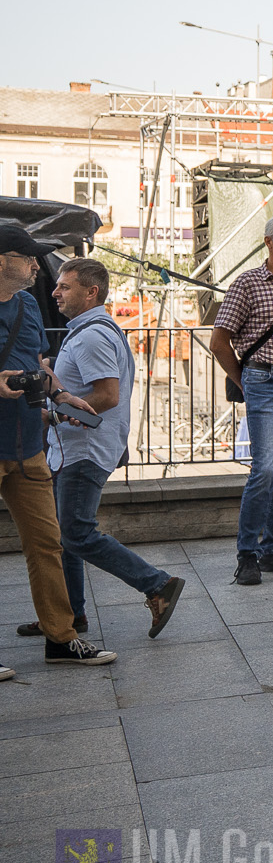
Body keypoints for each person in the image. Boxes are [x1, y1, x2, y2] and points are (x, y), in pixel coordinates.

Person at [28, 257, 182, 644]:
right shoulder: (91, 330)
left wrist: (56, 417)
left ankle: (157, 584)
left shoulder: (92, 335)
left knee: (77, 534)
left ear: (90, 291)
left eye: (64, 286)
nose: (55, 291)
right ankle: (67, 614)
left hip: (84, 449)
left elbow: (106, 395)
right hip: (77, 449)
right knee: (67, 533)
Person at [0, 227, 116, 671]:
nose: (35, 266)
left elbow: (37, 365)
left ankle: (61, 639)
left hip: (28, 443)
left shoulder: (28, 305)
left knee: (48, 544)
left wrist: (61, 395)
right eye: (26, 258)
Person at [208, 214, 273, 586]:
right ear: (268, 242)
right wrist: (244, 379)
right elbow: (219, 341)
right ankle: (246, 554)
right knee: (264, 468)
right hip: (263, 380)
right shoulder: (247, 284)